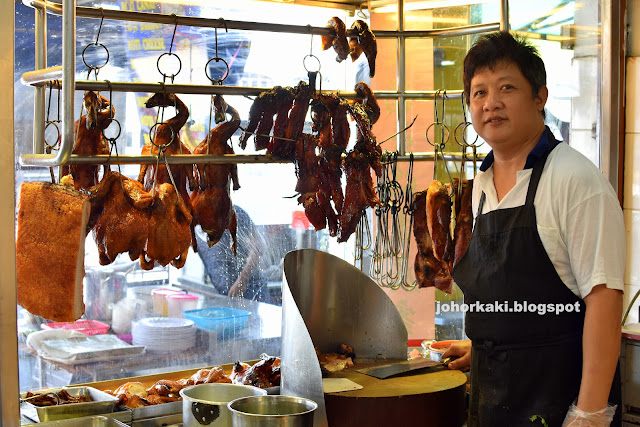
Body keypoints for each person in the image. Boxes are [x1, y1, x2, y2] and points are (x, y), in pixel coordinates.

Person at [442, 32, 625, 427]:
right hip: (494, 402)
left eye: (506, 87)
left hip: (559, 402)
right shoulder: (480, 187)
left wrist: (588, 416)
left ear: (540, 97)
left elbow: (604, 300)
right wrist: (484, 346)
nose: (491, 103)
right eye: (478, 93)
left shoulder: (575, 180)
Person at [195, 205, 267, 301]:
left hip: (252, 290)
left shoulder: (232, 212)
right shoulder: (193, 225)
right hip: (226, 295)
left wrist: (242, 280)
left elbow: (260, 245)